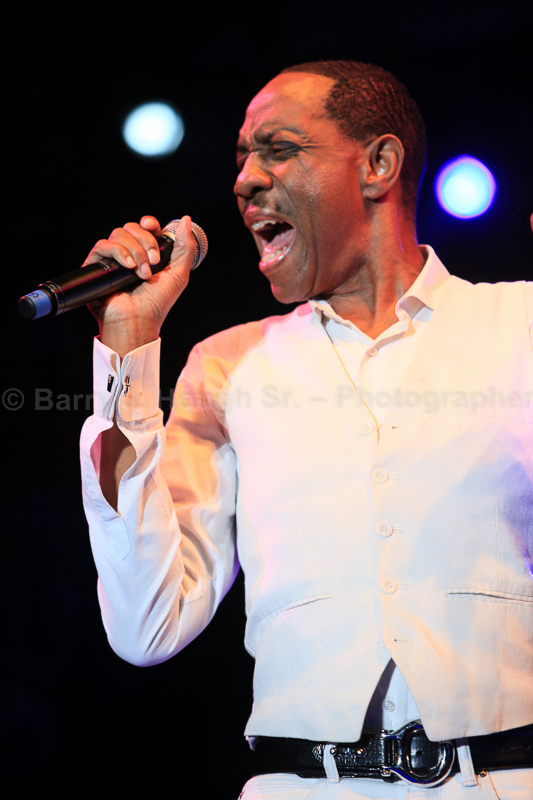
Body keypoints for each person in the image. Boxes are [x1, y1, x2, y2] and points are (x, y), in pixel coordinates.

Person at [80, 61, 533, 798]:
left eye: (279, 149)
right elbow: (146, 625)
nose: (245, 181)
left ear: (378, 165)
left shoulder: (519, 325)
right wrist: (126, 351)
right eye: (241, 159)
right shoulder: (227, 365)